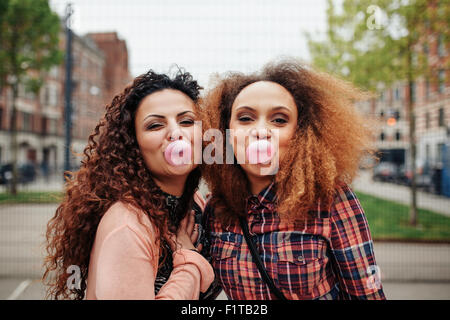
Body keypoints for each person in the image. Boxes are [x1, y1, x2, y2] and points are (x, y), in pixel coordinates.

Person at [201, 59, 386, 300]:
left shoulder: (331, 201)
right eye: (245, 118)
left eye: (279, 120)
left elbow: (366, 295)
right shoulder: (216, 209)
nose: (261, 131)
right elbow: (203, 293)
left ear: (301, 133)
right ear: (225, 131)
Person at [43, 69, 217, 300]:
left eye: (186, 121)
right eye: (155, 125)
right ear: (133, 144)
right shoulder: (127, 226)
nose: (176, 133)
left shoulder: (192, 201)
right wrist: (189, 261)